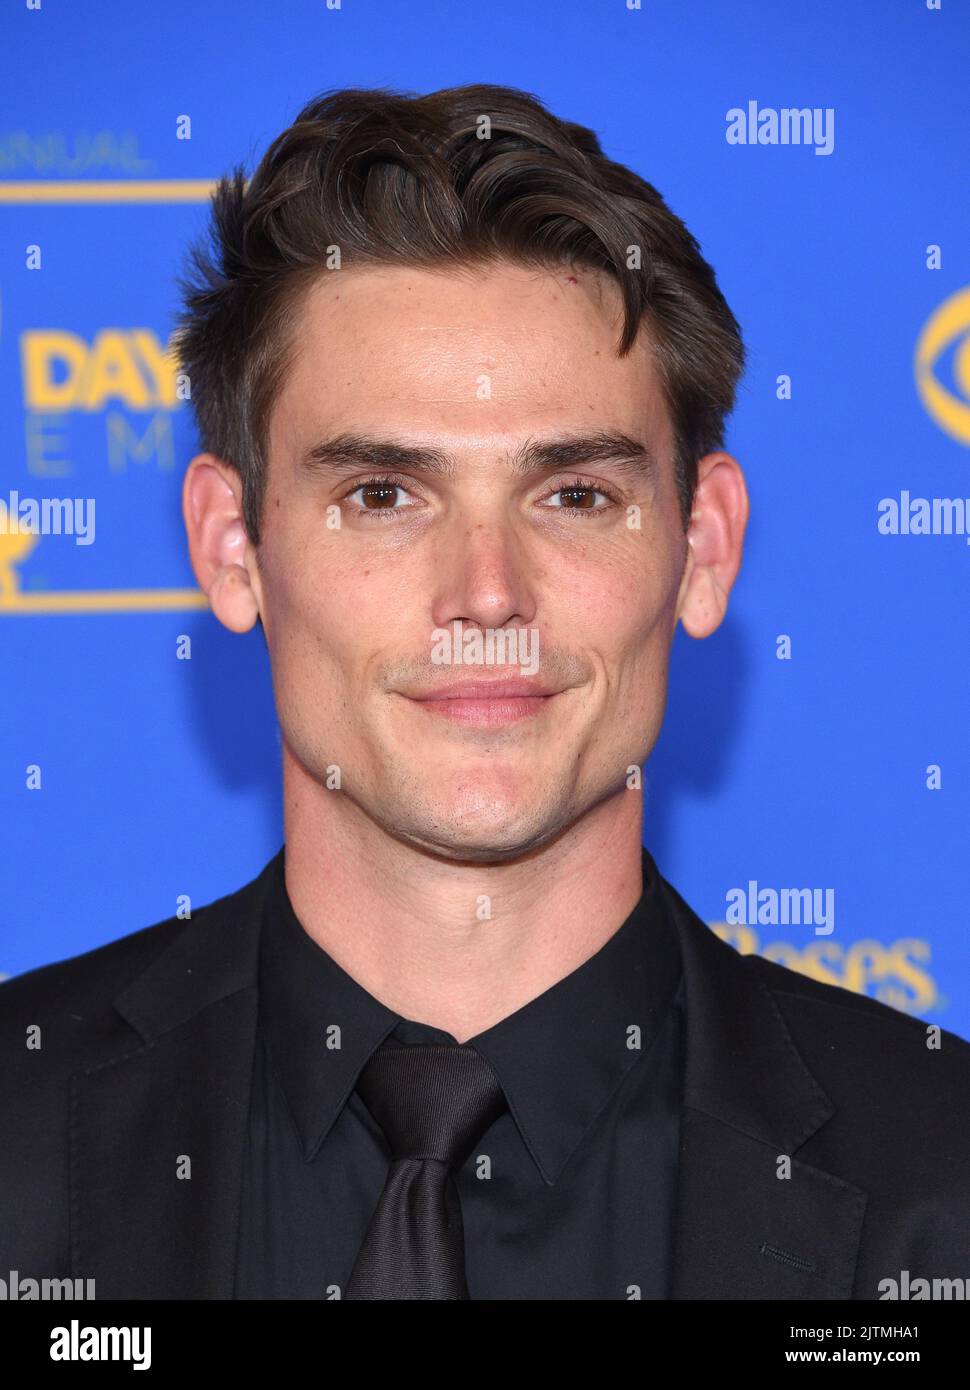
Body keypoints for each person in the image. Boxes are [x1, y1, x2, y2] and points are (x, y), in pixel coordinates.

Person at [2, 83, 968, 1302]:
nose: (487, 592)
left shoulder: (945, 1183)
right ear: (231, 546)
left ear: (704, 546)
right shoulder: (18, 1136)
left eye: (572, 494)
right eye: (383, 494)